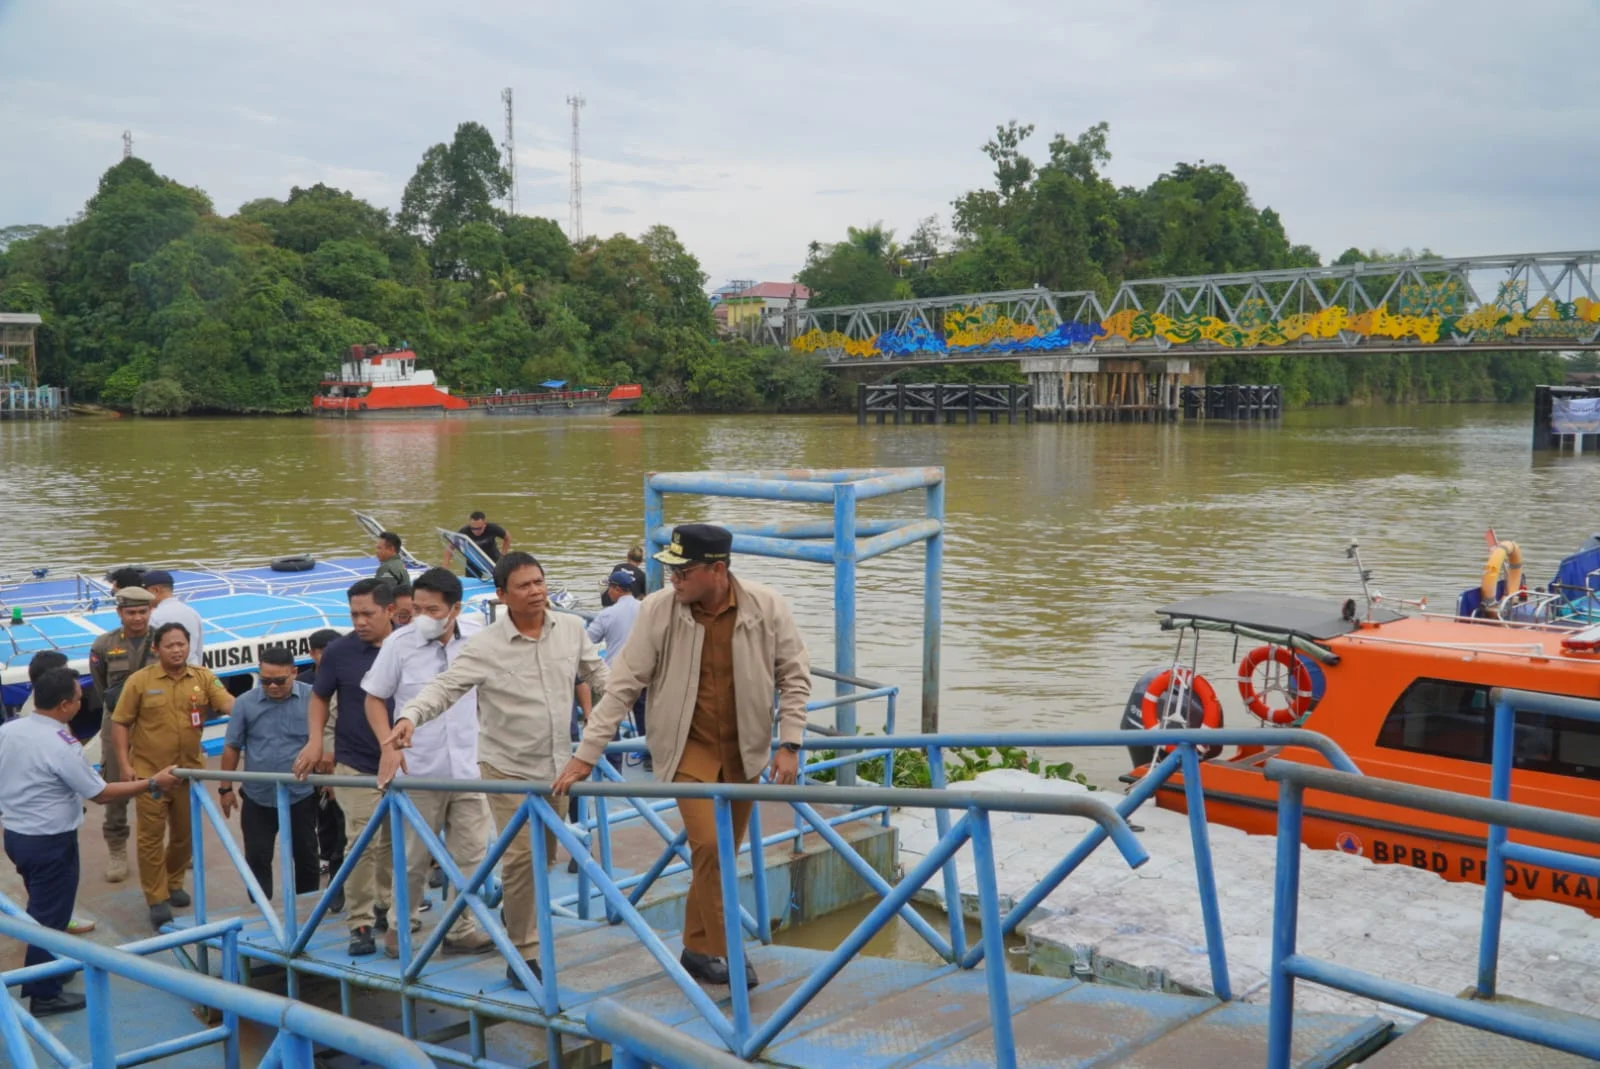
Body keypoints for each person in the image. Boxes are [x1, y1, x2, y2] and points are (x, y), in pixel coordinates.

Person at [554, 524, 810, 989]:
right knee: (709, 848)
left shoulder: (765, 606)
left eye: (683, 570)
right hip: (687, 749)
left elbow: (794, 676)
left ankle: (695, 946)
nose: (672, 578)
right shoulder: (659, 610)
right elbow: (623, 684)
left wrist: (789, 742)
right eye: (669, 569)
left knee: (720, 858)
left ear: (717, 570)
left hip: (744, 752)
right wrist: (587, 754)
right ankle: (729, 951)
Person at [383, 551, 608, 989]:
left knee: (541, 859)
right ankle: (524, 953)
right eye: (524, 586)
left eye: (540, 582)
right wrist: (409, 717)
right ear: (502, 595)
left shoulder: (573, 630)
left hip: (558, 768)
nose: (537, 591)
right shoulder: (484, 645)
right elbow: (445, 688)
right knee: (522, 856)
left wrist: (635, 703)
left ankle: (516, 910)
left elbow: (599, 677)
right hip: (506, 767)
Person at [0, 667, 180, 1016]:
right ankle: (43, 993)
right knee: (49, 917)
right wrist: (152, 783)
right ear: (65, 705)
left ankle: (47, 971)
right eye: (80, 700)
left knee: (42, 907)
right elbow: (99, 793)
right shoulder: (60, 745)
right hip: (50, 842)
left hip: (18, 836)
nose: (82, 705)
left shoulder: (10, 730)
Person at [361, 567, 493, 958]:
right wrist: (389, 746)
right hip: (418, 769)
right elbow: (374, 698)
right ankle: (399, 928)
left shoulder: (479, 639)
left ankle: (459, 929)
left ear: (455, 608)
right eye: (416, 607)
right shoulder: (400, 645)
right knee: (413, 860)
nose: (421, 616)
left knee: (471, 856)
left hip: (471, 769)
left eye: (431, 609)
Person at [291, 579, 397, 956]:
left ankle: (389, 905)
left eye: (368, 613)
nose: (361, 621)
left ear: (389, 611)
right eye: (354, 614)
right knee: (361, 841)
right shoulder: (339, 652)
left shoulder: (411, 646)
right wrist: (316, 740)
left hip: (403, 760)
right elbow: (319, 697)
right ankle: (361, 922)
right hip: (355, 761)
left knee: (393, 841)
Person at [111, 622, 234, 928]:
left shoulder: (203, 678)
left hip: (188, 774)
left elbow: (228, 702)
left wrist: (254, 705)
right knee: (150, 839)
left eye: (182, 644)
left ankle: (172, 881)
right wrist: (125, 766)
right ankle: (155, 897)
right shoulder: (140, 681)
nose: (178, 650)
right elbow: (120, 722)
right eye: (170, 645)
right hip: (149, 774)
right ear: (156, 649)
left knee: (184, 837)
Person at [218, 648, 320, 902]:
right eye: (265, 681)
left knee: (307, 856)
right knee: (257, 857)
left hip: (300, 795)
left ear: (294, 673)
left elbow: (327, 740)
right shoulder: (245, 703)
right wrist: (225, 789)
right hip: (258, 797)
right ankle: (261, 913)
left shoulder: (313, 700)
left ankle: (308, 911)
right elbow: (231, 746)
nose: (272, 686)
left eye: (279, 681)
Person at [86, 585, 157, 883]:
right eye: (131, 612)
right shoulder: (104, 645)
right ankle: (117, 849)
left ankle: (169, 847)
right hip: (116, 722)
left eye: (143, 611)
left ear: (150, 611)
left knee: (161, 784)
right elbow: (102, 688)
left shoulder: (164, 640)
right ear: (120, 612)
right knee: (115, 784)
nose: (137, 617)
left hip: (154, 723)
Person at [302, 628, 346, 912]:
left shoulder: (348, 678)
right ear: (313, 654)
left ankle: (339, 883)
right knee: (326, 826)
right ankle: (333, 878)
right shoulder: (306, 685)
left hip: (346, 764)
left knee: (345, 828)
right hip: (316, 767)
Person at [588, 568, 647, 768]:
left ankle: (614, 763)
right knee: (644, 713)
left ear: (616, 589)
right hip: (644, 671)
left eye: (609, 588)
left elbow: (587, 640)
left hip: (616, 674)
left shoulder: (607, 614)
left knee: (610, 717)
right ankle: (649, 755)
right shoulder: (647, 608)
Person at [143, 571, 204, 667]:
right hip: (194, 672)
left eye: (145, 592)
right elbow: (199, 651)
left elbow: (151, 655)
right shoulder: (193, 613)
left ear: (155, 590)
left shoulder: (154, 617)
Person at [442, 511, 510, 579]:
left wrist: (503, 555)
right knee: (471, 580)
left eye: (479, 528)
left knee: (501, 579)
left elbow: (507, 537)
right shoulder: (464, 531)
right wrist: (445, 568)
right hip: (474, 561)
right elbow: (450, 548)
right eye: (473, 528)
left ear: (484, 524)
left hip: (492, 559)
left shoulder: (493, 528)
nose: (476, 531)